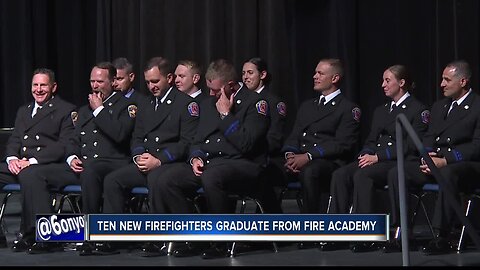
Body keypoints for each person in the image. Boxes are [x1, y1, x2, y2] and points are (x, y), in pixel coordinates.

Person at [145, 59, 270, 259]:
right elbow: (197, 140)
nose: (211, 94)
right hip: (210, 163)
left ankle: (221, 241)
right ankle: (192, 237)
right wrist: (196, 157)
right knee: (164, 178)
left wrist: (226, 115)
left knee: (213, 177)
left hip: (243, 164)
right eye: (209, 89)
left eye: (215, 90)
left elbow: (247, 144)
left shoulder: (255, 104)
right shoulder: (207, 103)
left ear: (230, 85)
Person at [28, 62, 136, 255]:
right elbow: (73, 139)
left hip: (112, 163)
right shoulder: (84, 110)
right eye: (92, 81)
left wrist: (99, 110)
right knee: (36, 173)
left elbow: (120, 135)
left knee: (91, 170)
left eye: (100, 81)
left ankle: (92, 236)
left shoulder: (126, 106)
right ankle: (46, 236)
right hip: (83, 166)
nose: (95, 85)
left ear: (113, 81)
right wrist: (71, 157)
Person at [322, 65, 430, 253]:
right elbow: (372, 139)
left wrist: (378, 156)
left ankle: (367, 233)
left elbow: (412, 146)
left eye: (387, 80)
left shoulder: (418, 110)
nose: (383, 85)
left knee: (364, 176)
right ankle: (337, 232)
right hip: (376, 158)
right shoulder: (381, 110)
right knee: (341, 174)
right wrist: (366, 153)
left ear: (402, 83)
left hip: (398, 161)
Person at [101, 56, 199, 257]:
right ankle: (113, 237)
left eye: (155, 81)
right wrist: (138, 156)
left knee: (158, 178)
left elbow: (186, 143)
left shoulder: (186, 104)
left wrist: (159, 160)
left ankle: (161, 237)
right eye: (147, 82)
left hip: (173, 163)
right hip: (147, 161)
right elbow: (137, 137)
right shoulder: (145, 104)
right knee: (113, 180)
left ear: (169, 78)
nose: (151, 86)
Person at [387, 60, 480, 255]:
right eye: (442, 79)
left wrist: (445, 159)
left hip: (465, 165)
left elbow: (476, 146)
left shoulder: (477, 106)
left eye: (447, 79)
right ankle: (402, 233)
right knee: (399, 172)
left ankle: (442, 236)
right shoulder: (439, 107)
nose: (442, 84)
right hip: (434, 163)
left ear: (463, 81)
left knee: (448, 173)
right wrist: (426, 158)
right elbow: (427, 138)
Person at [281, 58, 361, 249]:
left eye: (320, 73)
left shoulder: (348, 108)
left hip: (330, 163)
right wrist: (290, 156)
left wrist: (308, 156)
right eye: (315, 72)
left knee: (310, 171)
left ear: (334, 78)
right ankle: (266, 230)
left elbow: (343, 145)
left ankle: (311, 228)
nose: (315, 76)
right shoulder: (307, 106)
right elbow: (294, 136)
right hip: (302, 159)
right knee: (267, 168)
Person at [0, 68, 76, 251]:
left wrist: (31, 161)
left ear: (53, 87)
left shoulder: (66, 110)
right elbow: (15, 140)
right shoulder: (23, 111)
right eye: (35, 85)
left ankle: (44, 236)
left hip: (50, 166)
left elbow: (63, 146)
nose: (39, 89)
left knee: (31, 175)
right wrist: (12, 159)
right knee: (23, 173)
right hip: (21, 166)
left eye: (43, 85)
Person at [242, 57, 287, 213]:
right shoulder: (239, 101)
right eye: (243, 73)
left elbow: (275, 138)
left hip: (266, 158)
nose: (245, 77)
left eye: (250, 73)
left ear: (262, 75)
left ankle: (267, 230)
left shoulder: (274, 102)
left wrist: (252, 150)